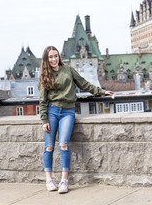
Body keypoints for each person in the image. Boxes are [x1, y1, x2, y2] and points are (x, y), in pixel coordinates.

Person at [38, 45, 113, 193]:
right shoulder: (44, 75)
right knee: (49, 147)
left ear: (59, 56)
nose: (54, 59)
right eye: (50, 57)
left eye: (55, 55)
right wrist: (44, 120)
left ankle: (64, 181)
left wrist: (101, 91)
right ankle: (49, 180)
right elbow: (42, 100)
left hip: (68, 112)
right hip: (52, 111)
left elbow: (84, 84)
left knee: (64, 145)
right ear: (47, 60)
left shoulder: (68, 70)